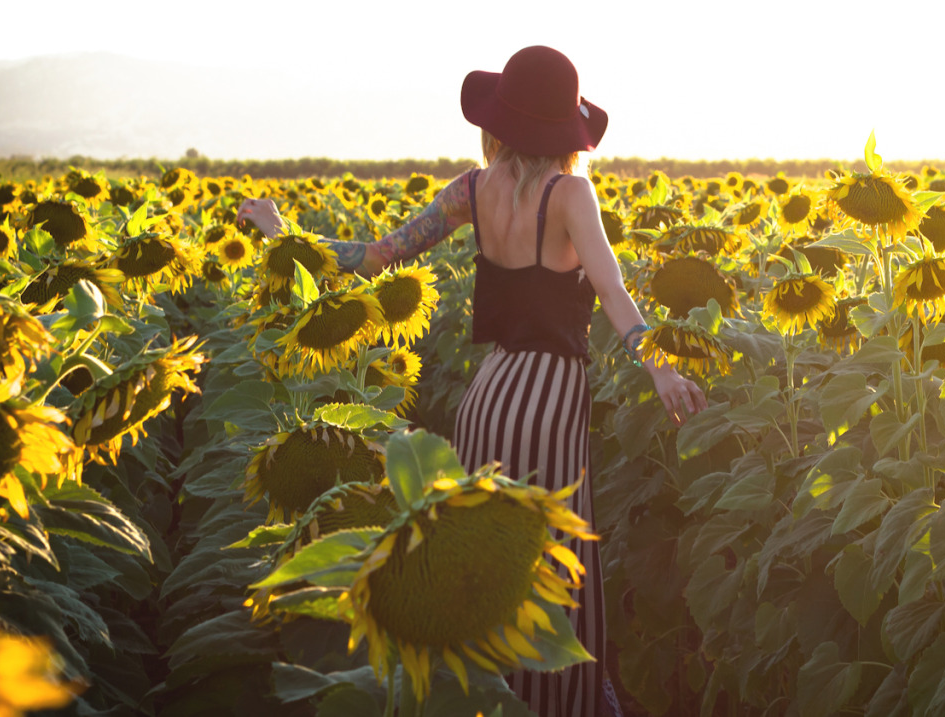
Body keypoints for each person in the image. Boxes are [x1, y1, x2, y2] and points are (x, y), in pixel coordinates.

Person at [237, 44, 707, 717]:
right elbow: (612, 290)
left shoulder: (470, 191)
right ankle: (555, 704)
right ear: (565, 131)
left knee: (484, 566)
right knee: (552, 561)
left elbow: (375, 257)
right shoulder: (571, 193)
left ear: (499, 122)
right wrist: (659, 367)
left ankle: (489, 699)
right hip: (548, 398)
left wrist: (283, 233)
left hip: (488, 396)